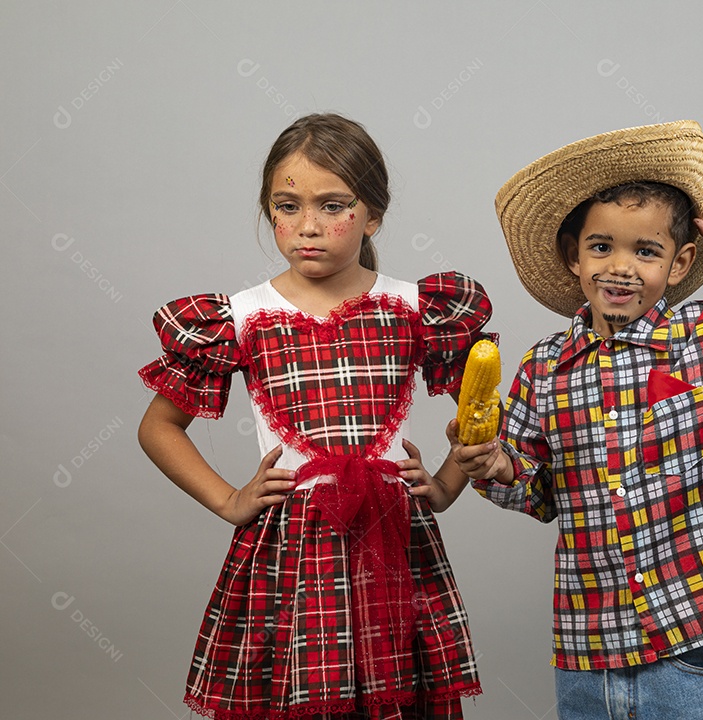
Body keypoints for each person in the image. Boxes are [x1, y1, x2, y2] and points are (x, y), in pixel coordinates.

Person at [450, 121, 703, 719]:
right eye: (601, 247)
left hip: (688, 636)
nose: (620, 268)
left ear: (678, 264)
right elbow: (533, 490)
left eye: (645, 251)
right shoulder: (544, 368)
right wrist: (495, 465)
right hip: (588, 645)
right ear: (573, 257)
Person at [138, 113, 484, 720]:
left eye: (333, 206)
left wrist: (447, 486)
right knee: (295, 691)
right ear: (268, 210)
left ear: (372, 214)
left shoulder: (413, 308)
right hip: (292, 547)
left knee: (399, 691)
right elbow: (157, 427)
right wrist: (228, 500)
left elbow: (482, 412)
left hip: (393, 543)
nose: (308, 227)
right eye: (287, 206)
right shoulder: (241, 317)